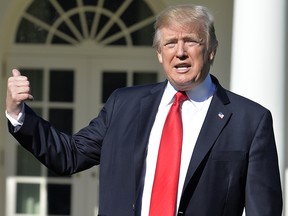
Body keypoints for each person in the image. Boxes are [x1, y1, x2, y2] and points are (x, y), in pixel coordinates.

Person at [6, 4, 282, 216]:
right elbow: (69, 155)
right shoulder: (123, 104)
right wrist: (19, 113)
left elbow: (264, 209)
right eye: (170, 43)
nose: (180, 52)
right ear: (159, 54)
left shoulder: (250, 120)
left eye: (191, 41)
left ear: (211, 51)